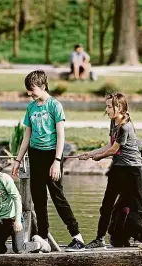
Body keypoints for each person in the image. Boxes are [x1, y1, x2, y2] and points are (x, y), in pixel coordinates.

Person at [12, 70, 85, 252]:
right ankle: (43, 237)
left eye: (32, 89)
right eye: (28, 90)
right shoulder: (31, 108)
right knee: (39, 199)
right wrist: (18, 160)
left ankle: (77, 237)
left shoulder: (55, 106)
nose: (30, 93)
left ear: (43, 86)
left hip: (52, 156)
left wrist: (57, 161)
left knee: (57, 197)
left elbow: (61, 136)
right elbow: (27, 136)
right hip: (35, 155)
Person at [78, 92, 142, 250]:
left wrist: (99, 157)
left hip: (131, 171)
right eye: (107, 106)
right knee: (106, 206)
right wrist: (91, 153)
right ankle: (99, 239)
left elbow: (114, 150)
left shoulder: (125, 126)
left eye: (110, 106)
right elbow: (110, 145)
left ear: (120, 108)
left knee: (139, 206)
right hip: (117, 169)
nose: (107, 109)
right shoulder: (113, 123)